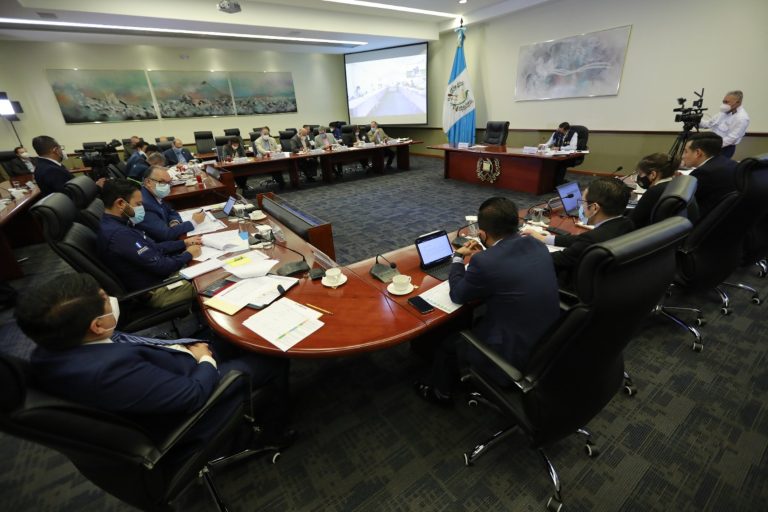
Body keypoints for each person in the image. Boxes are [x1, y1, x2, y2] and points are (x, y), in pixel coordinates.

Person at [15, 273, 294, 467]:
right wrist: (204, 360)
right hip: (194, 396)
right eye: (105, 299)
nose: (111, 298)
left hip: (171, 365)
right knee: (271, 359)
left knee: (227, 333)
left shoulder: (51, 350)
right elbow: (193, 395)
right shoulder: (109, 373)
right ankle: (270, 433)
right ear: (96, 326)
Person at [414, 197, 561, 406]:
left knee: (447, 344)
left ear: (482, 234)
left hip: (514, 353)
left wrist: (458, 258)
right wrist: (491, 254)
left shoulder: (485, 262)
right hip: (549, 339)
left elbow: (458, 294)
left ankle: (440, 393)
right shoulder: (536, 244)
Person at [97, 179, 200, 308]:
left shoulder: (115, 223)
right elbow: (162, 266)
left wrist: (183, 243)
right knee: (208, 281)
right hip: (158, 290)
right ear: (121, 203)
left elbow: (152, 247)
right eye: (138, 204)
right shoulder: (120, 235)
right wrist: (188, 254)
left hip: (158, 278)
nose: (141, 208)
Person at [523, 177, 634, 288]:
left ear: (594, 208)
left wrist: (527, 252)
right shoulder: (626, 223)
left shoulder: (592, 239)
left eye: (583, 202)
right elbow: (580, 239)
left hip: (573, 287)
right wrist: (544, 238)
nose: (581, 207)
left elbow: (557, 259)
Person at [627, 153, 699, 229]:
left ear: (653, 174)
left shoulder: (654, 192)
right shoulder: (675, 185)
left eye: (641, 174)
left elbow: (632, 221)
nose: (639, 177)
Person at [137, 165, 207, 242]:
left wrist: (174, 222)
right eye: (162, 182)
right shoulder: (144, 204)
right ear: (148, 182)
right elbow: (165, 235)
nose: (167, 186)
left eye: (169, 182)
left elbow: (171, 211)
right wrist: (194, 222)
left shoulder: (153, 194)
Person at [681, 132, 737, 219]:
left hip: (706, 220)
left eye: (685, 151)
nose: (682, 156)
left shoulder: (703, 173)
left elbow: (682, 201)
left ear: (698, 153)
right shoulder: (732, 163)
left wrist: (679, 181)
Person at [699, 90, 750, 159]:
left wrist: (713, 144)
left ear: (738, 103)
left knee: (717, 165)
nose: (724, 105)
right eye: (723, 102)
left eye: (726, 102)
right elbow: (709, 124)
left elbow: (732, 138)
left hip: (725, 149)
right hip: (713, 145)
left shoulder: (742, 118)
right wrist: (697, 120)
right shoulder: (723, 113)